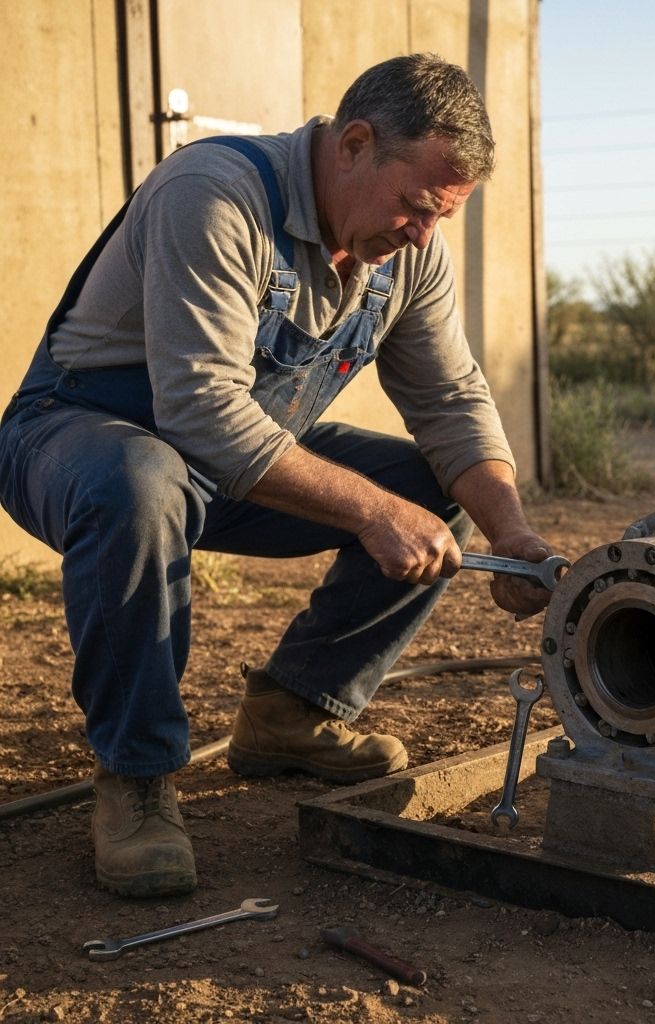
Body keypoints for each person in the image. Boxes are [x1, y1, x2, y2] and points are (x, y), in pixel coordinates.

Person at [0, 53, 553, 898]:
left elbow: (449, 401)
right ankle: (137, 776)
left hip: (223, 465)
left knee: (431, 491)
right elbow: (197, 410)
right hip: (80, 439)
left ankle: (294, 712)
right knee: (145, 482)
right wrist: (372, 514)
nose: (422, 235)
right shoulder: (215, 196)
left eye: (440, 218)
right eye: (414, 207)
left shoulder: (410, 254)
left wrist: (511, 530)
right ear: (356, 143)